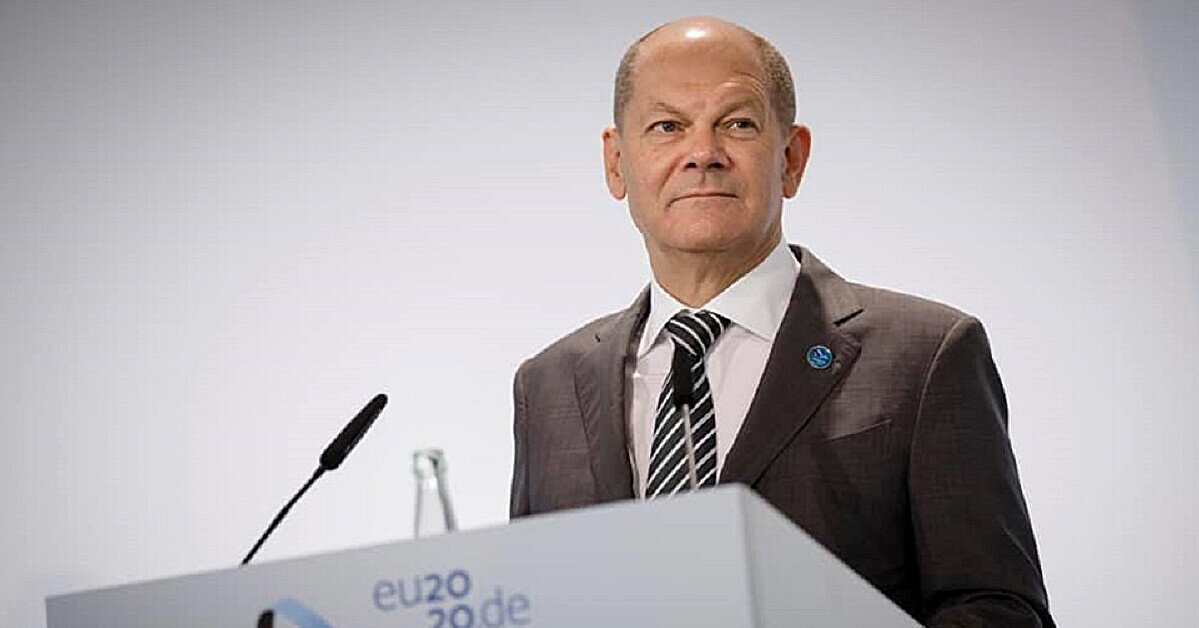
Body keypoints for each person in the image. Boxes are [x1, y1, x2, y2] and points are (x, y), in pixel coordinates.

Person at [508, 16, 1053, 627]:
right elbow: (530, 605)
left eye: (737, 124)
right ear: (616, 163)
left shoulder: (926, 357)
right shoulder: (547, 386)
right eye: (668, 127)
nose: (703, 154)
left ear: (792, 159)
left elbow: (998, 611)